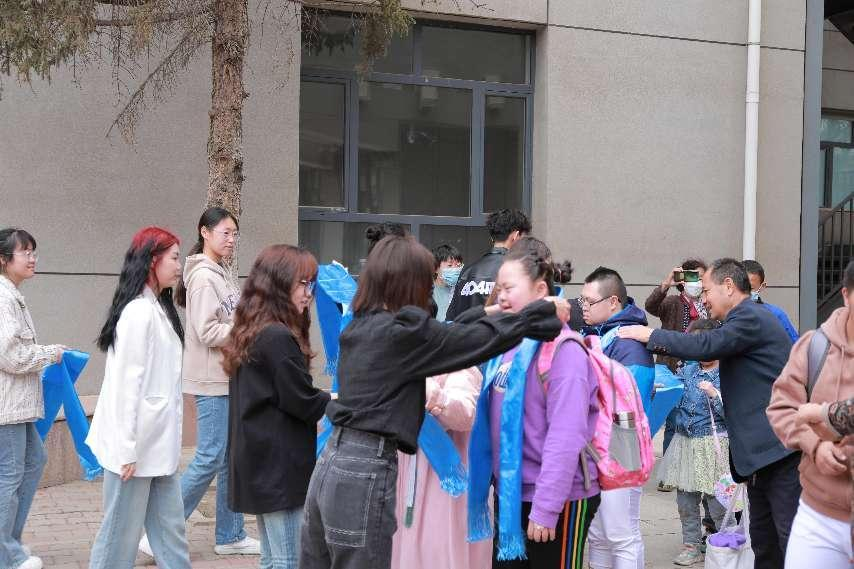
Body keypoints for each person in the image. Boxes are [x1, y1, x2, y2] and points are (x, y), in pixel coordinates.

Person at [299, 235, 569, 569]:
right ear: (409, 283)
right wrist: (538, 314)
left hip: (333, 463)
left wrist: (494, 310)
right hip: (366, 469)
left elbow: (449, 330)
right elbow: (468, 340)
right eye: (426, 282)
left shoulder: (363, 325)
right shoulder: (400, 336)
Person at [618, 258, 801, 569]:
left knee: (787, 540)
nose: (703, 298)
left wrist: (648, 335)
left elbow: (706, 344)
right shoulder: (742, 320)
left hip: (778, 453)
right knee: (764, 541)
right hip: (760, 458)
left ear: (728, 286)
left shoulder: (751, 317)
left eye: (706, 290)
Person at [467, 247, 601, 569]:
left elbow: (565, 435)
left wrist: (546, 508)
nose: (500, 296)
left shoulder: (565, 351)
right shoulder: (509, 344)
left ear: (540, 290)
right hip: (513, 493)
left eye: (508, 288)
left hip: (556, 498)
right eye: (498, 288)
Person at [139, 207, 259, 558]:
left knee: (228, 458)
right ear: (204, 232)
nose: (231, 239)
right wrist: (248, 331)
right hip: (212, 380)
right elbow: (207, 331)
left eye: (234, 233)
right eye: (225, 232)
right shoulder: (205, 276)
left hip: (225, 377)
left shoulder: (219, 272)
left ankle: (230, 534)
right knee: (210, 456)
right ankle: (157, 532)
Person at [86, 227, 191, 569]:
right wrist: (127, 449)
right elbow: (124, 386)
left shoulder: (156, 307)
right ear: (152, 261)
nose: (179, 265)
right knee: (119, 537)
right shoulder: (138, 312)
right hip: (134, 449)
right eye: (174, 258)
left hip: (156, 445)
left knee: (171, 532)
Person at [223, 245, 331, 569]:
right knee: (288, 561)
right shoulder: (277, 336)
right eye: (302, 284)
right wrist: (341, 401)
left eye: (311, 284)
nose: (309, 293)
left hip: (260, 461)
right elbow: (302, 400)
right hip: (278, 467)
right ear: (279, 284)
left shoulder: (253, 329)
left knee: (272, 560)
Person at [768, 260, 854, 568]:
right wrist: (815, 446)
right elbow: (781, 409)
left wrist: (821, 413)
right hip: (820, 515)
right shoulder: (815, 346)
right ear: (846, 295)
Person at [579, 267, 654, 569]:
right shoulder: (595, 335)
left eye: (589, 301)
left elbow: (629, 415)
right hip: (596, 445)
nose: (583, 307)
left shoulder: (629, 345)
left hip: (622, 445)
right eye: (581, 301)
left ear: (613, 302)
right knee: (598, 534)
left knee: (621, 534)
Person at [0, 228, 66, 569]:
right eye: (25, 252)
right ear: (3, 259)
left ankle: (10, 543)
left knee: (34, 461)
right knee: (10, 475)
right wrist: (49, 354)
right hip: (7, 407)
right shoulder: (2, 298)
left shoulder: (12, 296)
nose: (32, 258)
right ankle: (6, 554)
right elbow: (11, 356)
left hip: (18, 406)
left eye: (33, 251)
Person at [390, 365, 490, 569]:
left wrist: (425, 390)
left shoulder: (461, 364)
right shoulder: (401, 361)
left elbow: (465, 413)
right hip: (403, 471)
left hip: (443, 482)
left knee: (436, 553)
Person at [656, 319, 728, 566]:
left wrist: (715, 395)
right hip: (685, 443)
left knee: (717, 501)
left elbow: (733, 414)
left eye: (701, 344)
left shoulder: (727, 373)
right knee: (686, 500)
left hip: (712, 445)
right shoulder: (687, 370)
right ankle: (691, 546)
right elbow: (674, 395)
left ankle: (724, 546)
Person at [644, 259, 708, 493]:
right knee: (673, 422)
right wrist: (667, 282)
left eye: (701, 277)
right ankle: (669, 473)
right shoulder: (673, 302)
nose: (697, 282)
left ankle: (695, 471)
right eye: (693, 276)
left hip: (701, 369)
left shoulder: (708, 304)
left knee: (697, 420)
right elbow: (651, 306)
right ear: (683, 279)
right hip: (673, 369)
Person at [445, 209, 530, 321]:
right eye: (524, 239)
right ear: (516, 236)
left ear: (492, 238)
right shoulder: (519, 271)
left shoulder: (467, 271)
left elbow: (451, 319)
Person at [742, 259, 799, 343]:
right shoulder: (725, 315)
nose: (745, 293)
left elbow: (796, 346)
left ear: (762, 287)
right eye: (741, 287)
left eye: (751, 288)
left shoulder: (775, 315)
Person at [431, 244, 464, 322]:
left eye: (458, 265)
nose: (455, 269)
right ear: (436, 268)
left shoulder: (464, 289)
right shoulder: (428, 291)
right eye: (450, 265)